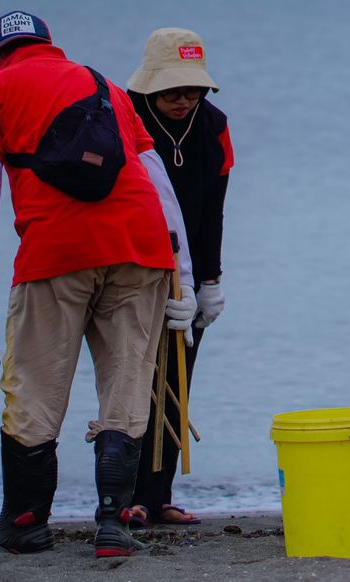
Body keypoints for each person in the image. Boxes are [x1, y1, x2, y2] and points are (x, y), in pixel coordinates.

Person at [0, 11, 197, 557]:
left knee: (33, 385)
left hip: (56, 252)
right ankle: (113, 525)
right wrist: (186, 280)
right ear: (52, 46)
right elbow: (157, 181)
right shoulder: (103, 85)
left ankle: (26, 520)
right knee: (127, 383)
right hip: (143, 248)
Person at [124, 27, 234, 527]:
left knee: (176, 380)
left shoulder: (214, 126)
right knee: (131, 381)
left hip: (191, 276)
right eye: (173, 91)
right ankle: (125, 495)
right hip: (133, 266)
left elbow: (214, 209)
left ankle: (158, 493)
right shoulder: (123, 116)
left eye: (193, 90)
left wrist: (209, 281)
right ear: (149, 85)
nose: (184, 100)